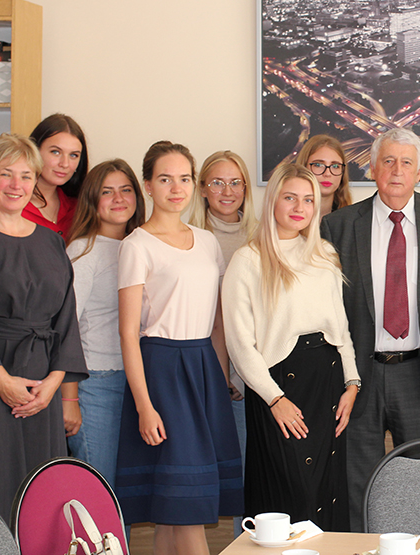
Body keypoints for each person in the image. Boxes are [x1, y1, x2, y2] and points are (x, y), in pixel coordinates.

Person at [320, 127, 420, 530]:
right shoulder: (338, 226)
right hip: (358, 377)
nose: (397, 170)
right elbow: (328, 309)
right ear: (372, 168)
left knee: (419, 488)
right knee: (357, 487)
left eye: (406, 162)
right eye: (388, 161)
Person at [0, 133, 87, 516]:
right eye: (6, 174)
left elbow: (66, 319)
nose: (16, 185)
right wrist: (4, 384)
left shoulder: (51, 241)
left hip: (41, 389)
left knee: (39, 499)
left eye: (26, 176)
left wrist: (54, 383)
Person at [115, 141, 242, 555]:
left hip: (204, 370)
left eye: (184, 178)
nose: (176, 188)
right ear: (148, 185)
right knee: (187, 509)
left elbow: (218, 323)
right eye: (165, 179)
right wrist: (144, 405)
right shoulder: (137, 245)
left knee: (173, 509)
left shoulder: (206, 242)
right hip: (162, 373)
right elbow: (128, 333)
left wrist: (220, 380)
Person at [223, 161, 360, 531]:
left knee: (327, 494)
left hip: (328, 386)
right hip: (279, 389)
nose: (300, 207)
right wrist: (274, 399)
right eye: (290, 198)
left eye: (308, 199)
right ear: (273, 201)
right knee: (289, 498)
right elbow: (240, 345)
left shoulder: (325, 254)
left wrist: (352, 384)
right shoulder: (248, 260)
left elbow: (341, 329)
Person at [63, 159, 146, 489]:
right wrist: (69, 399)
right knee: (99, 488)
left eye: (126, 190)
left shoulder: (140, 246)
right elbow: (65, 328)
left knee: (125, 491)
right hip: (95, 383)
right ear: (92, 200)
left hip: (136, 380)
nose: (119, 198)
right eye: (107, 192)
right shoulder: (83, 250)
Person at [189, 149, 257, 535]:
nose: (227, 191)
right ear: (202, 188)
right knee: (216, 473)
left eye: (235, 182)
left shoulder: (263, 236)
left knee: (252, 472)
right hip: (208, 372)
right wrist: (220, 374)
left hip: (256, 375)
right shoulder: (189, 239)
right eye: (217, 182)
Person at [0, 113, 89, 237]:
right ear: (34, 151)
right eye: (55, 152)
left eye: (74, 155)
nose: (65, 164)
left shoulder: (80, 208)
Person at [296, 134, 353, 219]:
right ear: (304, 167)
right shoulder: (288, 217)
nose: (327, 173)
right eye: (318, 165)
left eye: (335, 166)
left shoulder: (351, 220)